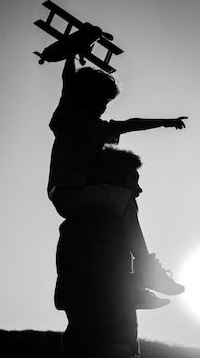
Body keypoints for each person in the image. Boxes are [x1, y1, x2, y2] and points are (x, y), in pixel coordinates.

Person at [48, 48, 186, 296]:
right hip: (68, 193)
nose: (103, 107)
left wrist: (165, 121)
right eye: (100, 101)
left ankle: (132, 281)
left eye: (106, 103)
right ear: (84, 97)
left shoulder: (98, 128)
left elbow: (131, 124)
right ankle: (145, 269)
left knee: (119, 208)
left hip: (79, 193)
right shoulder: (68, 118)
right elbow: (68, 86)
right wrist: (70, 54)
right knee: (126, 203)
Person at [55, 147, 159, 358]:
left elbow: (64, 296)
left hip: (84, 340)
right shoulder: (103, 224)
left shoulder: (76, 224)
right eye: (134, 181)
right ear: (116, 181)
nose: (138, 191)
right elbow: (95, 283)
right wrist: (140, 278)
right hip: (106, 342)